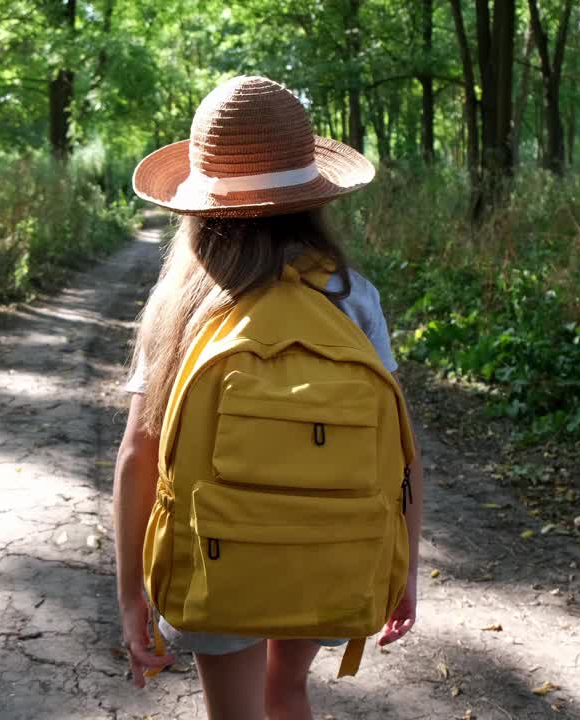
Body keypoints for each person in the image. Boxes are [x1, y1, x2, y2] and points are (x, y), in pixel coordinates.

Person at [112, 75, 425, 720]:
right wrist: (403, 568)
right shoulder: (351, 297)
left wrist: (131, 595)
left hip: (216, 552)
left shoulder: (181, 305)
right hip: (328, 547)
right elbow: (402, 455)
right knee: (288, 691)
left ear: (197, 205)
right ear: (314, 198)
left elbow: (139, 456)